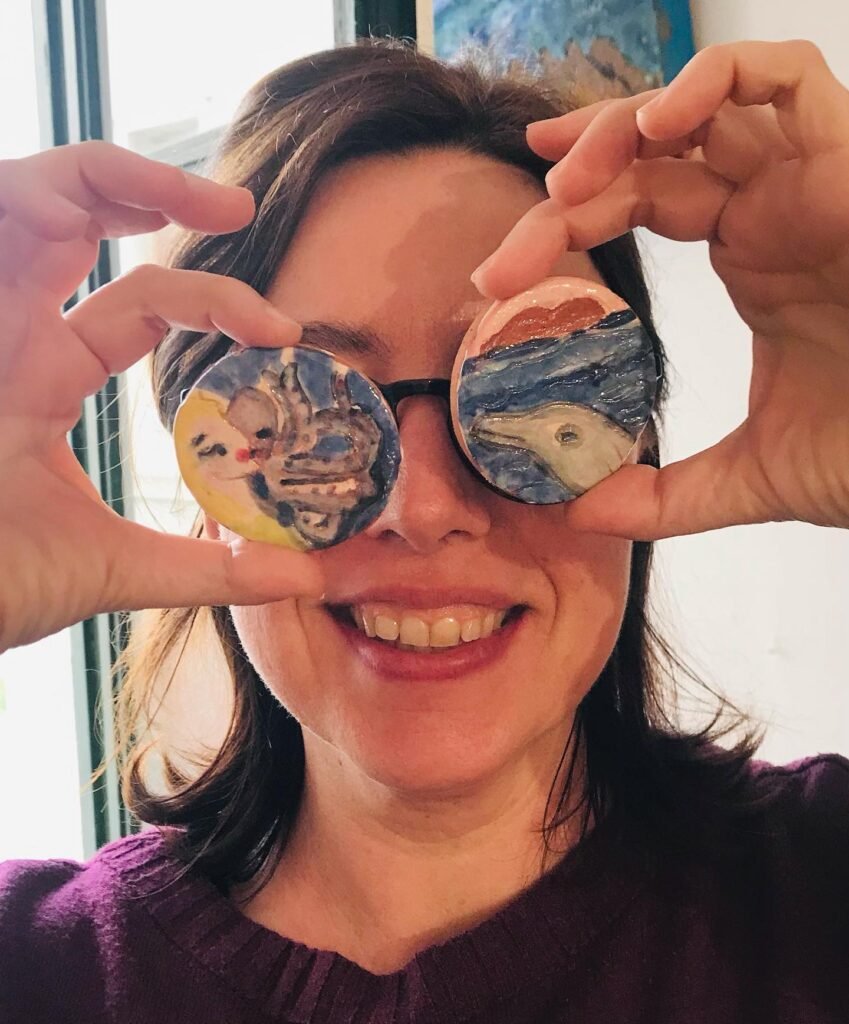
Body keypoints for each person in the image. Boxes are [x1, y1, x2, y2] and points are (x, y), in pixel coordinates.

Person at [0, 36, 848, 1024]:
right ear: (215, 485)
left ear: (638, 446)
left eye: (529, 387)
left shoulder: (821, 881)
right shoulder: (39, 973)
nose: (425, 508)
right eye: (315, 408)